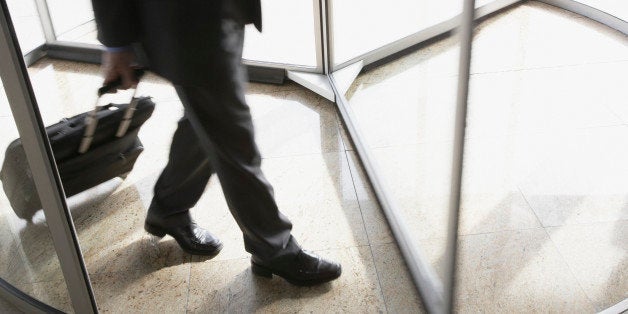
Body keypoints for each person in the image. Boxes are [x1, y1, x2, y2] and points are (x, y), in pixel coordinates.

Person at [90, 0, 341, 286]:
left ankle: (169, 207)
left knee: (207, 121)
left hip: (219, 14)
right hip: (183, 26)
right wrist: (115, 43)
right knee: (233, 137)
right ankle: (274, 247)